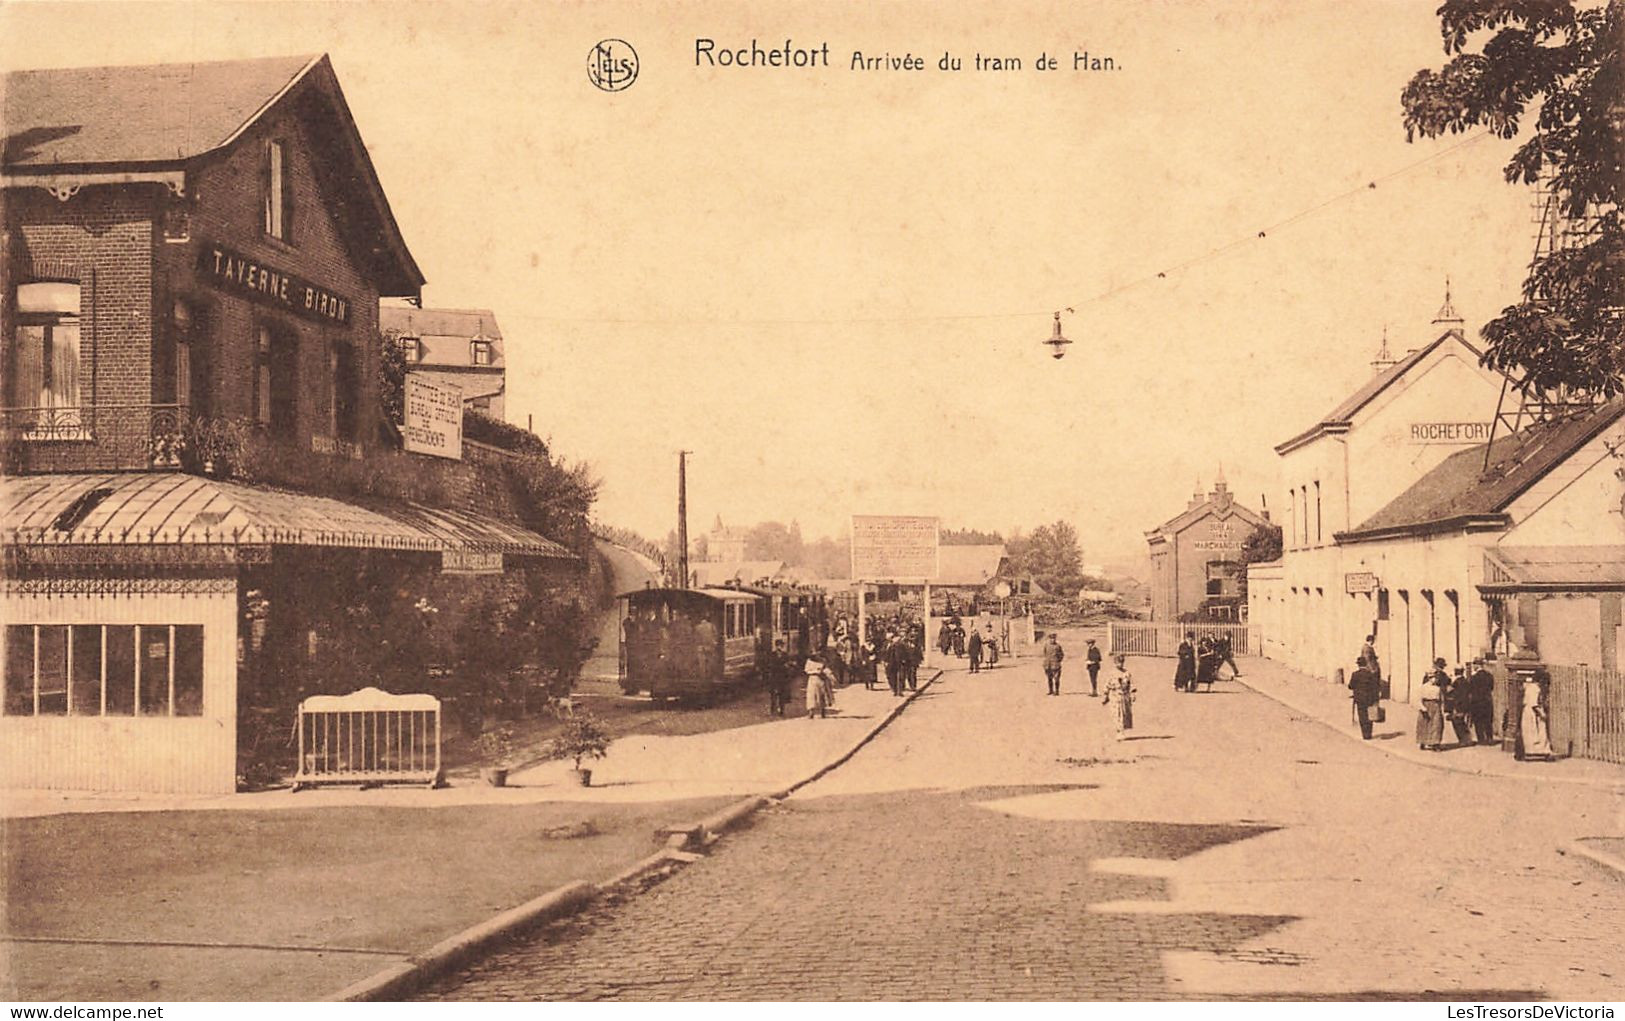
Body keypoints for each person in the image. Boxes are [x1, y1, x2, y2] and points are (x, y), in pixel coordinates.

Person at [1517, 668, 1553, 761]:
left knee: (1530, 733)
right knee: (1538, 732)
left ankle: (1531, 751)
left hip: (1527, 712)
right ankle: (1540, 751)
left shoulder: (1529, 687)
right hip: (1533, 713)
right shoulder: (1535, 689)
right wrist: (1542, 714)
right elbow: (1534, 704)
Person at [1417, 658, 1448, 751]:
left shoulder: (1438, 686)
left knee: (1437, 725)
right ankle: (1423, 741)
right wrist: (1422, 707)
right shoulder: (1425, 686)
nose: (1433, 679)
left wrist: (1443, 707)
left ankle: (1435, 743)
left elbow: (1441, 696)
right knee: (1424, 724)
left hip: (1436, 705)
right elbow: (1420, 697)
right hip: (1426, 705)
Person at [1102, 652, 1135, 741]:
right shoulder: (1112, 673)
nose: (1119, 664)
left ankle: (1122, 731)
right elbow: (1107, 684)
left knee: (1124, 714)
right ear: (1115, 663)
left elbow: (1131, 684)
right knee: (1116, 714)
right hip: (1114, 696)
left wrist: (1133, 694)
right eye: (1117, 663)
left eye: (1121, 662)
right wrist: (1105, 695)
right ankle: (1119, 731)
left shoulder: (1127, 673)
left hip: (1124, 696)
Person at [1348, 656, 1382, 739]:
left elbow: (1350, 686)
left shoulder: (1355, 674)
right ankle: (1369, 733)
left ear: (1358, 665)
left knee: (1362, 716)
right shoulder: (1370, 674)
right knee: (1369, 715)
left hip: (1359, 699)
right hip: (1369, 698)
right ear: (1366, 664)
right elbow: (1375, 686)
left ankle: (1364, 734)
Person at [1467, 659, 1496, 745]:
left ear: (1477, 665)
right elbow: (1491, 687)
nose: (1473, 667)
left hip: (1477, 702)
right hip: (1487, 700)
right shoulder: (1489, 676)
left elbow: (1470, 690)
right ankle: (1490, 738)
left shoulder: (1473, 678)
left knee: (1478, 721)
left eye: (1474, 665)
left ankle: (1481, 739)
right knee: (1488, 720)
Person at [1446, 666, 1474, 747]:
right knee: (1462, 722)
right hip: (1466, 704)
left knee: (1457, 723)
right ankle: (1467, 739)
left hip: (1457, 705)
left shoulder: (1456, 682)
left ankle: (1463, 740)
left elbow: (1450, 692)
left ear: (1455, 671)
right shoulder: (1466, 681)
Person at [765, 638, 793, 717]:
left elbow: (788, 664)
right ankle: (773, 710)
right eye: (778, 646)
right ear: (776, 646)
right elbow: (770, 665)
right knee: (773, 695)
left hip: (783, 678)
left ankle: (782, 710)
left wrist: (787, 667)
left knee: (782, 695)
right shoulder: (772, 655)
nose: (779, 647)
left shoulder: (785, 655)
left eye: (781, 646)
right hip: (774, 677)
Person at [804, 651, 835, 719]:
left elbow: (826, 669)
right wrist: (815, 671)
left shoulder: (823, 660)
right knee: (811, 696)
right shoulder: (809, 661)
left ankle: (822, 711)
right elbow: (806, 670)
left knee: (822, 695)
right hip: (812, 679)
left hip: (821, 679)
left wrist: (830, 675)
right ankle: (811, 712)